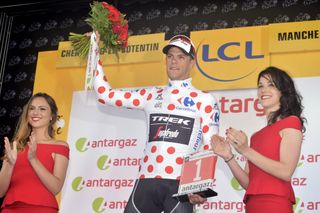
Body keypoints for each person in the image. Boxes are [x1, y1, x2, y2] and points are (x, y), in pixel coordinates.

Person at [88, 32, 220, 212]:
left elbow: (210, 145)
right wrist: (94, 49)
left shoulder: (204, 99)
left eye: (181, 57)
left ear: (192, 63)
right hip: (146, 180)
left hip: (180, 184)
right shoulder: (151, 94)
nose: (174, 61)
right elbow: (105, 95)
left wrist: (200, 188)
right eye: (170, 56)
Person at [211, 66, 306, 213]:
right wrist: (229, 157)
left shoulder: (291, 122)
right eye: (260, 86)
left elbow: (286, 171)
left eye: (271, 85)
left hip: (276, 204)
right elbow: (249, 183)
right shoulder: (256, 136)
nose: (263, 90)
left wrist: (245, 150)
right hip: (252, 206)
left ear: (283, 91)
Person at [0, 92, 69, 213]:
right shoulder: (15, 147)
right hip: (10, 208)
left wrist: (33, 159)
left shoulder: (60, 146)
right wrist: (10, 164)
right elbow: (0, 191)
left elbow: (55, 188)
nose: (35, 112)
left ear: (52, 115)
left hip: (42, 209)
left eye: (42, 109)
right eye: (32, 108)